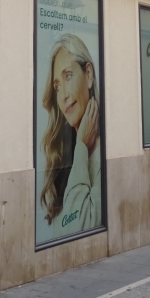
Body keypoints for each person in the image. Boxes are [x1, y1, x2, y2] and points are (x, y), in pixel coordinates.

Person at [40, 34, 102, 238]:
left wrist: (82, 147)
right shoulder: (65, 156)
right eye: (57, 86)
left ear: (89, 75)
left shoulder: (102, 156)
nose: (63, 94)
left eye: (68, 76)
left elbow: (79, 227)